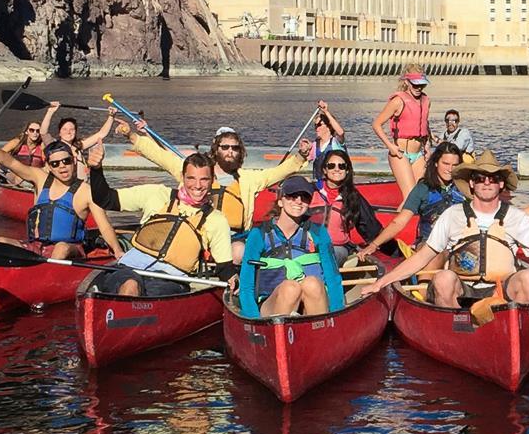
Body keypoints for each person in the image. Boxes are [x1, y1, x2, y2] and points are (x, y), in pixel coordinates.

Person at [356, 152, 529, 310]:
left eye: (493, 179)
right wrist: (381, 283)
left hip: (503, 290)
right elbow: (422, 258)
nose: (486, 183)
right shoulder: (453, 215)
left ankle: (516, 323)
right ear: (471, 184)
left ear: (501, 184)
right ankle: (454, 328)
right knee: (443, 278)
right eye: (480, 178)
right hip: (462, 290)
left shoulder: (516, 217)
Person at [126, 119, 305, 244]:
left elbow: (279, 172)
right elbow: (161, 157)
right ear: (216, 149)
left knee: (239, 253)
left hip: (235, 237)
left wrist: (301, 156)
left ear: (240, 152)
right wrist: (131, 136)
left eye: (235, 148)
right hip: (198, 232)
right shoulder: (198, 171)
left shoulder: (249, 179)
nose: (230, 151)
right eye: (225, 147)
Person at [93, 150, 235, 298]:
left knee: (140, 293)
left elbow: (224, 267)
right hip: (129, 268)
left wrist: (232, 278)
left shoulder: (216, 220)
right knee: (130, 286)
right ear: (182, 177)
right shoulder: (156, 194)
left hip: (170, 280)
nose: (197, 185)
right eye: (191, 178)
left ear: (213, 180)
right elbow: (105, 199)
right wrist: (96, 170)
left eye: (204, 179)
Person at [0, 131, 122, 262]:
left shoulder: (86, 191)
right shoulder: (39, 178)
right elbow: (7, 161)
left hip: (71, 248)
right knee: (0, 241)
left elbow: (104, 226)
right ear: (49, 166)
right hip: (37, 246)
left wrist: (118, 251)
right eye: (55, 163)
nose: (62, 166)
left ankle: (47, 276)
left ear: (73, 160)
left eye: (66, 161)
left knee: (61, 248)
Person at [238, 174, 345, 319]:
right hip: (269, 306)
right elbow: (246, 286)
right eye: (292, 196)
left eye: (304, 197)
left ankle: (320, 334)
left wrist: (338, 315)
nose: (298, 201)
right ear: (280, 201)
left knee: (312, 283)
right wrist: (252, 320)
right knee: (290, 288)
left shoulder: (318, 233)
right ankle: (279, 335)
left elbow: (333, 278)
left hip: (311, 303)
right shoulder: (259, 234)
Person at [353, 144, 466, 269]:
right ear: (436, 163)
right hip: (429, 242)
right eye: (446, 163)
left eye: (455, 165)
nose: (450, 169)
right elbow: (399, 222)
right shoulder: (423, 188)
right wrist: (374, 245)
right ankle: (423, 286)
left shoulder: (465, 188)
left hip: (460, 240)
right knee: (434, 256)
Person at [306, 146, 393, 265]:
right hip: (308, 246)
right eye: (331, 166)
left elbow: (370, 227)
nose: (337, 169)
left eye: (341, 166)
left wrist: (393, 250)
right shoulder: (311, 191)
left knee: (326, 256)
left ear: (347, 170)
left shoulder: (353, 197)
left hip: (337, 248)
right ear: (324, 170)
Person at [374, 67, 432, 175]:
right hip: (401, 153)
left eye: (422, 85)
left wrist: (427, 146)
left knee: (420, 191)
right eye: (415, 84)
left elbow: (425, 124)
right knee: (409, 192)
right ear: (407, 82)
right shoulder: (398, 101)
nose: (419, 88)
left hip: (419, 154)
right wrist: (390, 146)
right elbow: (376, 124)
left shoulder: (426, 101)